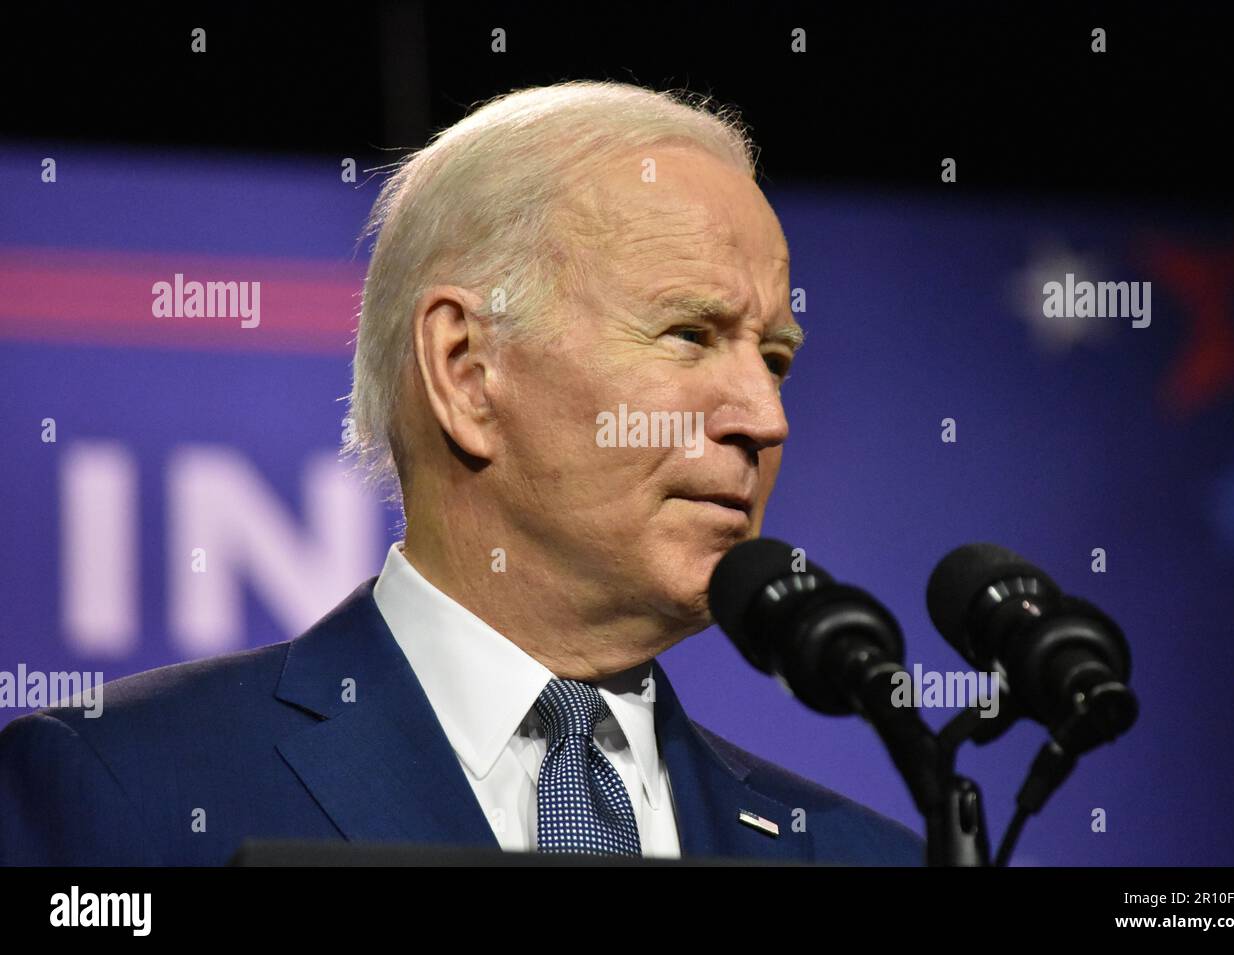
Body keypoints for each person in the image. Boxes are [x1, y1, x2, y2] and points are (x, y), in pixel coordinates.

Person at [0, 80, 922, 866]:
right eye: (690, 335)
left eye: (776, 359)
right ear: (467, 370)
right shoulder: (122, 790)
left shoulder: (862, 856)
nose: (766, 419)